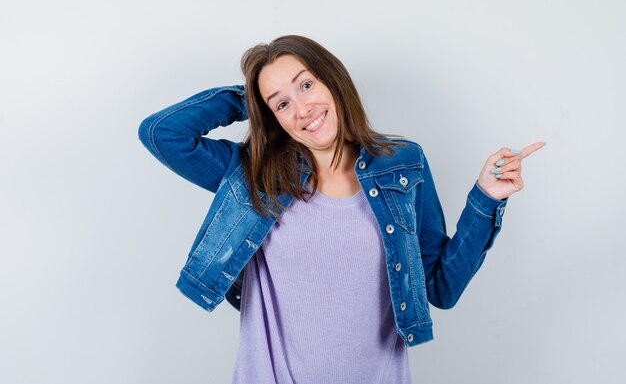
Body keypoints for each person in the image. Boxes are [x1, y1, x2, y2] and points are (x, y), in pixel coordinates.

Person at [138, 35, 545, 384]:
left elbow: (440, 288)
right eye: (280, 105)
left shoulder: (402, 164)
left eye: (306, 85)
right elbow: (163, 133)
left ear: (332, 81)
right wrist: (251, 95)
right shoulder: (254, 175)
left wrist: (485, 199)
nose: (302, 109)